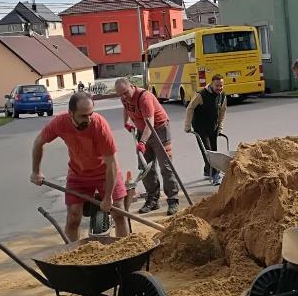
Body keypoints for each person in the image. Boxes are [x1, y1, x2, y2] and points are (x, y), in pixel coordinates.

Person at [30, 92, 129, 242]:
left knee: (119, 212)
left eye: (91, 114)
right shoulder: (60, 123)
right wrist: (35, 172)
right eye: (83, 116)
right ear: (71, 113)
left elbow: (112, 165)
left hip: (105, 173)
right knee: (73, 217)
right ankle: (73, 256)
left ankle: (126, 253)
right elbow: (38, 142)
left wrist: (108, 197)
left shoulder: (99, 126)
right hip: (78, 174)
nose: (88, 119)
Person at [114, 77, 180, 216]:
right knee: (145, 168)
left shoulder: (144, 98)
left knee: (166, 167)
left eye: (125, 93)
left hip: (159, 129)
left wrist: (142, 143)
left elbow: (150, 123)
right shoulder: (124, 98)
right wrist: (126, 122)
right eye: (120, 94)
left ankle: (173, 200)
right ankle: (153, 199)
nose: (123, 97)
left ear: (132, 86)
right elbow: (126, 108)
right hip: (141, 131)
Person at [184, 74, 227, 186]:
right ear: (212, 84)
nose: (219, 88)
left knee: (214, 150)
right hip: (200, 127)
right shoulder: (201, 94)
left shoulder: (222, 95)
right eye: (217, 86)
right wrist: (187, 125)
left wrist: (220, 126)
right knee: (208, 150)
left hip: (213, 126)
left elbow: (222, 111)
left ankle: (208, 170)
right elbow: (190, 107)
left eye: (221, 86)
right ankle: (215, 175)